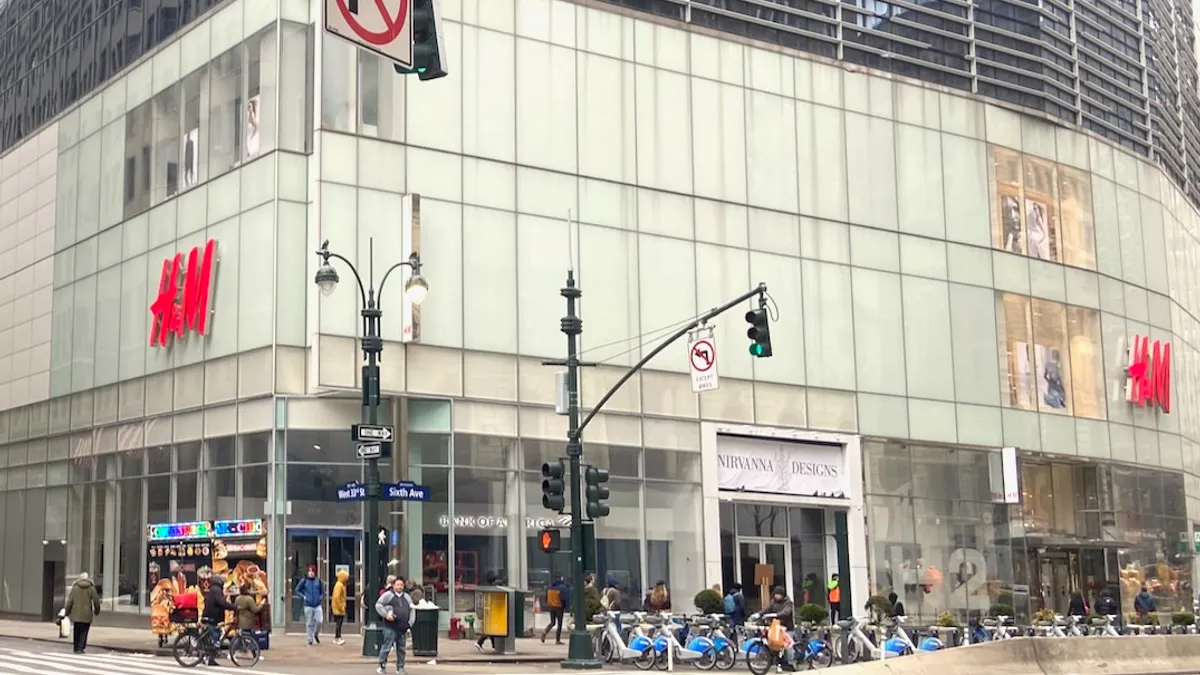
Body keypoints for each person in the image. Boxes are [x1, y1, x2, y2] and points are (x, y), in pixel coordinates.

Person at [375, 577, 412, 675]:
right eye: (397, 585)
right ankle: (381, 665)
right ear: (393, 585)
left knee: (401, 649)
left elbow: (412, 609)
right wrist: (386, 615)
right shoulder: (388, 595)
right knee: (386, 647)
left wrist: (410, 623)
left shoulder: (407, 597)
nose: (399, 587)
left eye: (401, 585)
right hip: (390, 627)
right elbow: (378, 605)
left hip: (402, 627)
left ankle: (400, 667)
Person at [201, 574, 236, 666]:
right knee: (215, 637)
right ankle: (210, 659)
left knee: (213, 636)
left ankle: (207, 657)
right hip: (213, 616)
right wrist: (233, 607)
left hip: (210, 615)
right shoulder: (216, 590)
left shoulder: (213, 589)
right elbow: (221, 602)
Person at [64, 572, 101, 654]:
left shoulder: (75, 588)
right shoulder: (91, 588)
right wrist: (97, 610)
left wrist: (67, 612)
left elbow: (70, 601)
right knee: (84, 631)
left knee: (76, 630)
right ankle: (81, 648)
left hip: (76, 613)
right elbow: (96, 601)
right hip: (86, 613)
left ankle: (76, 647)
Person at [294, 565, 325, 646]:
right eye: (309, 571)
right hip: (308, 605)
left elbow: (323, 592)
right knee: (309, 623)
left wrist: (320, 598)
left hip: (317, 605)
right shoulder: (304, 581)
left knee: (319, 621)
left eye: (312, 571)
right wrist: (303, 597)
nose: (311, 573)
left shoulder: (318, 581)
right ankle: (310, 639)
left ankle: (316, 634)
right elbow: (297, 590)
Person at [765, 587, 795, 666]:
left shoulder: (788, 602)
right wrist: (759, 614)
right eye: (776, 594)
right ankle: (780, 662)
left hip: (787, 627)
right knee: (776, 644)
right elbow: (766, 609)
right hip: (777, 627)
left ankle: (791, 663)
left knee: (788, 647)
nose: (777, 596)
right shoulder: (773, 602)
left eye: (779, 595)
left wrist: (777, 615)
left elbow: (787, 611)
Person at [541, 575, 570, 645]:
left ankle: (545, 632)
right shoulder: (562, 588)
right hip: (559, 607)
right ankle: (557, 640)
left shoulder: (550, 587)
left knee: (552, 622)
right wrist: (565, 606)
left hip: (551, 606)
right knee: (559, 624)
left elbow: (546, 597)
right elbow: (564, 598)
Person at [331, 569, 349, 645]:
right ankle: (337, 637)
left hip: (338, 607)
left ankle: (338, 636)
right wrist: (341, 607)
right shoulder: (339, 585)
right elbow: (337, 597)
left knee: (339, 623)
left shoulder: (340, 585)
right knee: (339, 623)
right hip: (338, 608)